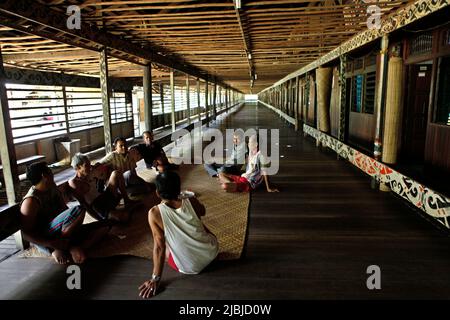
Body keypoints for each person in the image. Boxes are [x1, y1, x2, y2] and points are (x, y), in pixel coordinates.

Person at [139, 171, 218, 299]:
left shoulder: (154, 213)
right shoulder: (191, 200)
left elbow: (159, 247)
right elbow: (202, 211)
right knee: (197, 223)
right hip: (211, 252)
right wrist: (190, 199)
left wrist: (155, 278)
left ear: (157, 193)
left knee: (165, 245)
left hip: (190, 266)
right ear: (179, 189)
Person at [20, 162, 109, 264]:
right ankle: (66, 247)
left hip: (62, 231)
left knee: (106, 226)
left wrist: (76, 227)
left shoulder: (52, 188)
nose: (52, 173)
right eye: (50, 171)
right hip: (48, 236)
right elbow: (26, 234)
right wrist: (52, 246)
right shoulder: (31, 201)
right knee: (79, 210)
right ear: (44, 176)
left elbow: (64, 209)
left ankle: (73, 248)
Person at [68, 153, 137, 223]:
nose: (90, 167)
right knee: (124, 218)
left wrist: (97, 167)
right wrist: (100, 219)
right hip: (98, 205)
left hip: (104, 197)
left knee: (115, 173)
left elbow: (100, 169)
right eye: (86, 165)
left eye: (89, 164)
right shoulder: (74, 182)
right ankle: (116, 214)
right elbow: (84, 204)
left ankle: (127, 201)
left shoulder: (89, 172)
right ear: (78, 167)